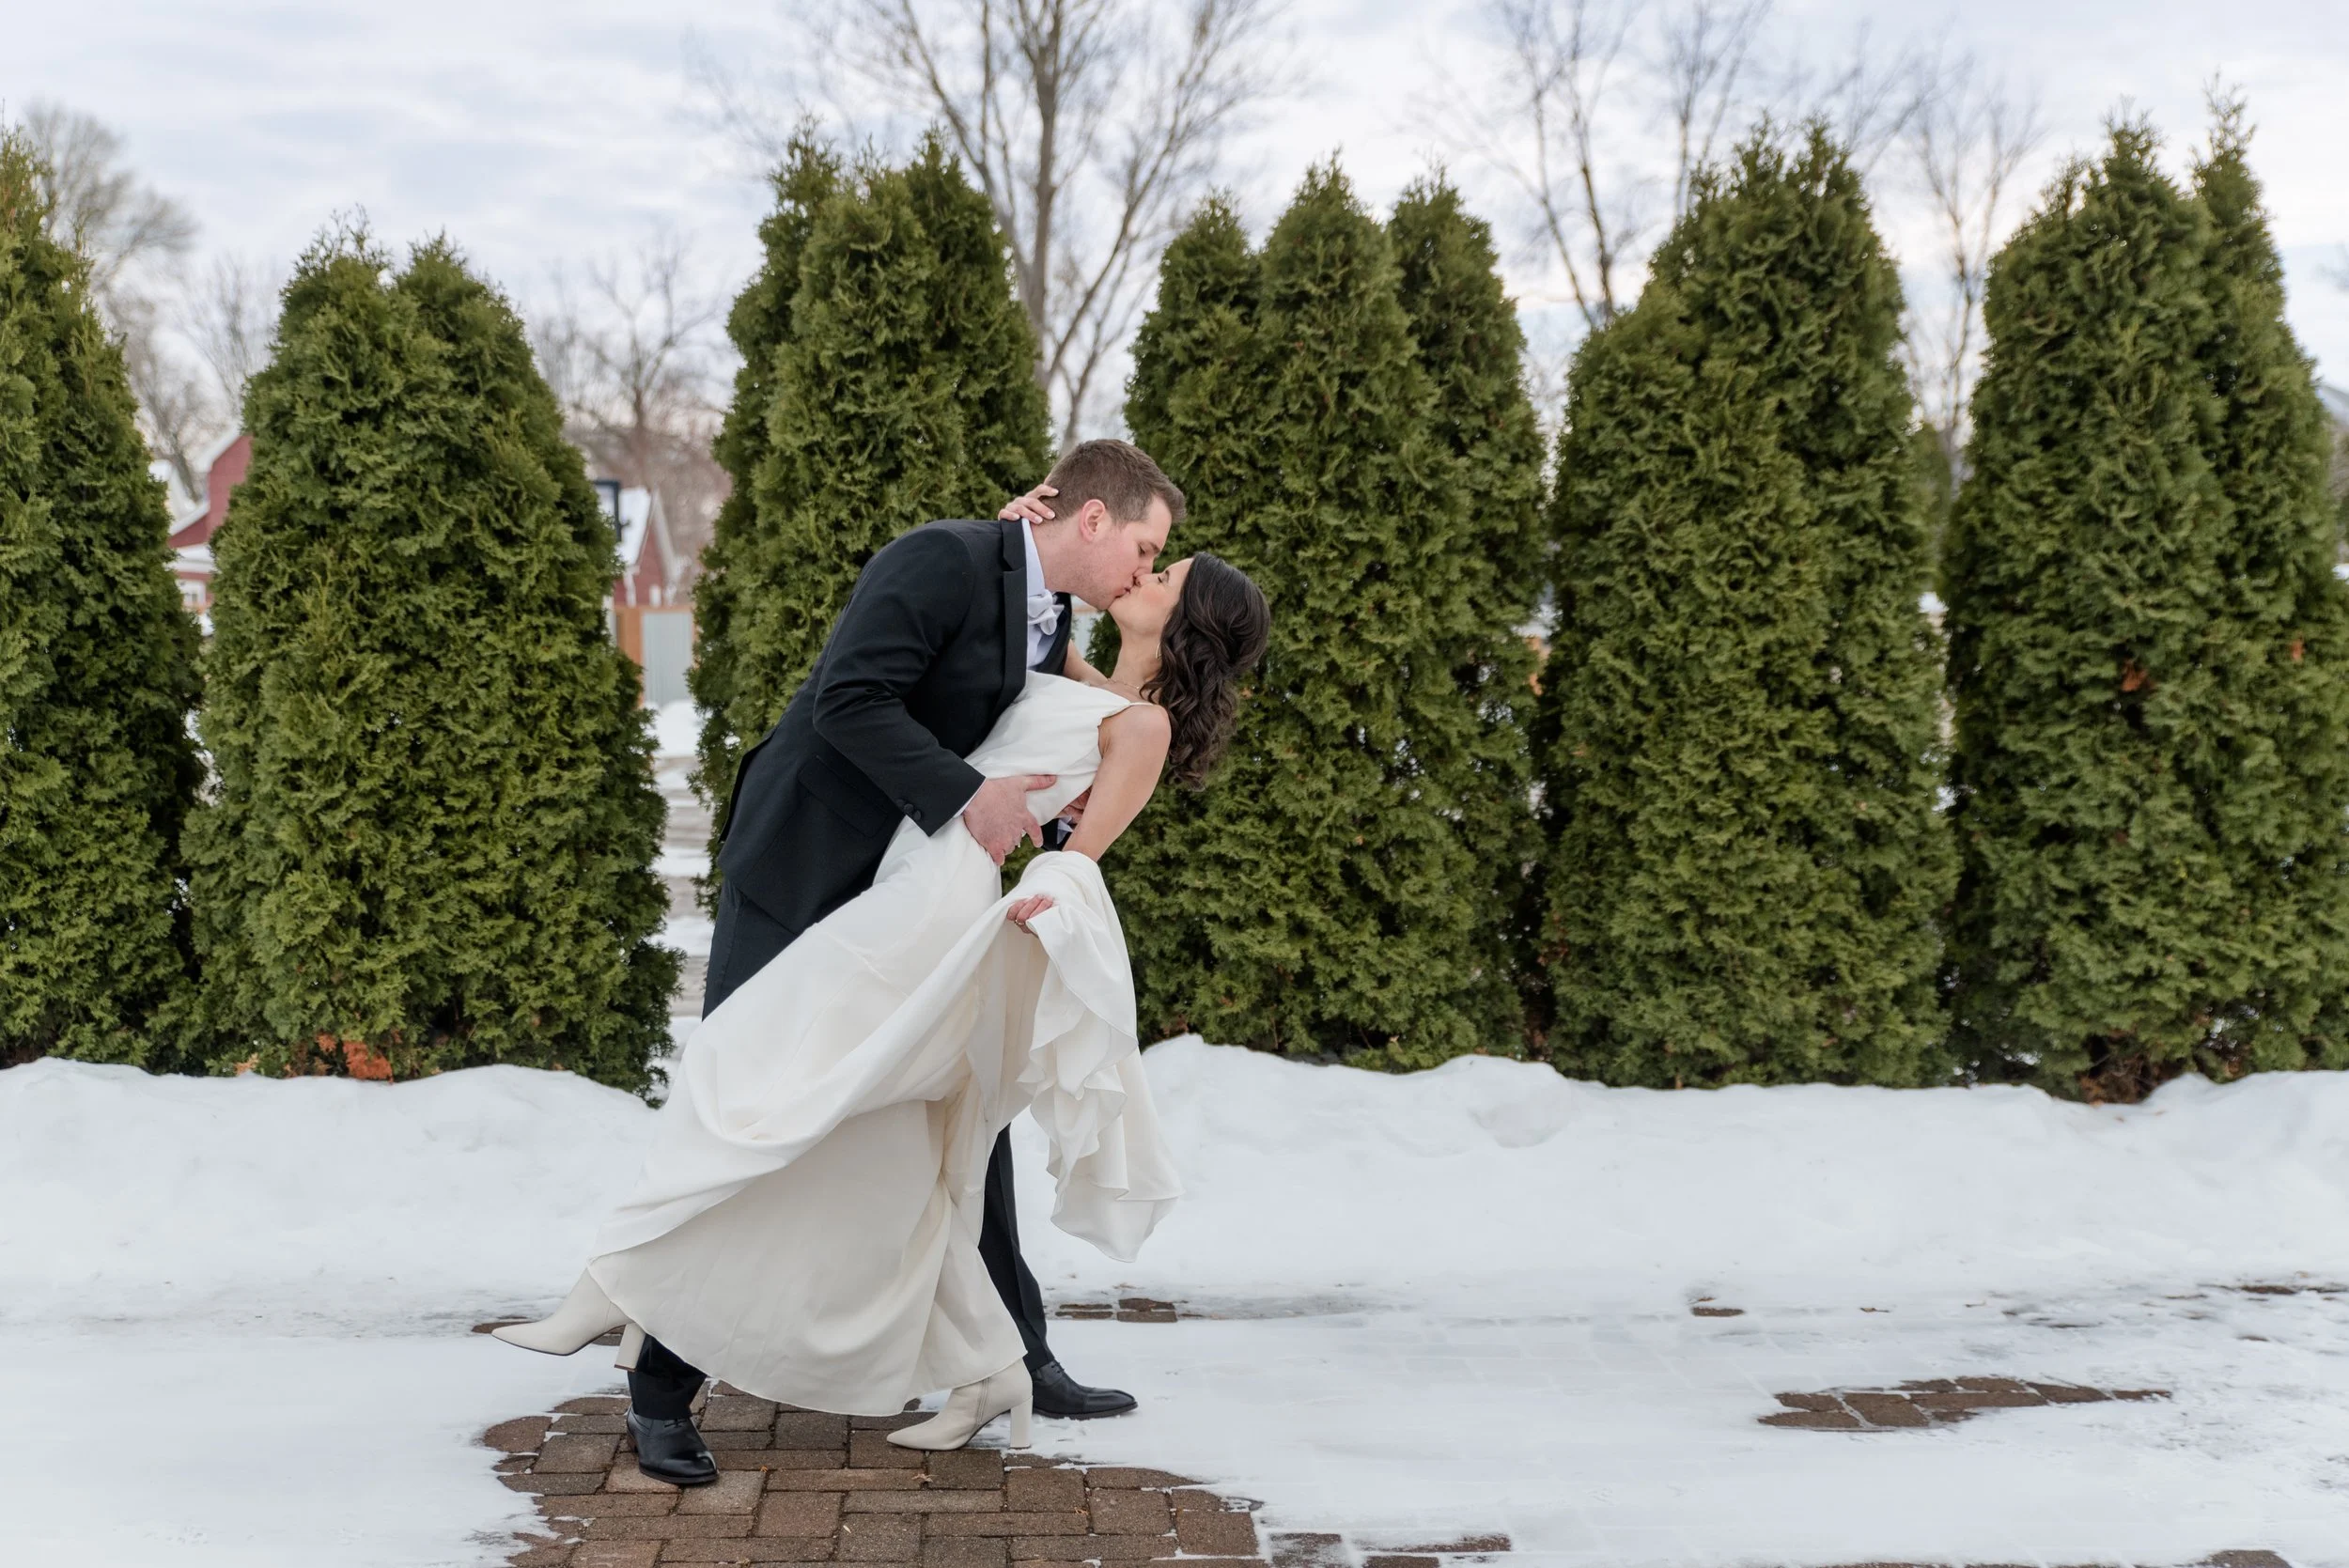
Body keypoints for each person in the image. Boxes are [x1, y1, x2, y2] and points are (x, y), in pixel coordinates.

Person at [493, 441, 1270, 1479]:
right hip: (808, 864)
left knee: (953, 1130)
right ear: (1090, 521)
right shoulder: (948, 564)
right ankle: (660, 1379)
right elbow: (848, 703)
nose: (1145, 569)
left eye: (1161, 568)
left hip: (919, 895)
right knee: (758, 1109)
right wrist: (976, 794)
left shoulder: (1052, 621)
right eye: (1147, 547)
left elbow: (1041, 735)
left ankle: (1010, 1350)